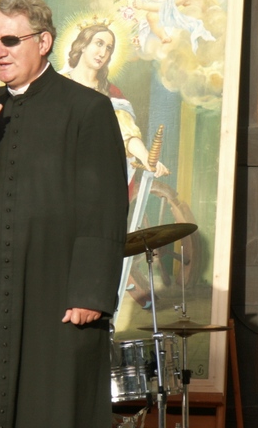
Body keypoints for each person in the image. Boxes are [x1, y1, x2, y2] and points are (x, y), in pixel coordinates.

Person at [0, 0, 129, 428]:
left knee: (53, 406)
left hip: (56, 289)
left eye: (10, 40)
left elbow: (105, 208)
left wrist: (90, 293)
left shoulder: (87, 108)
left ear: (44, 43)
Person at [62, 23, 169, 311]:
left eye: (108, 48)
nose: (103, 52)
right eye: (98, 43)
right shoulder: (56, 85)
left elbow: (127, 133)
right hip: (58, 179)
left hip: (94, 183)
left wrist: (147, 158)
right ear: (82, 45)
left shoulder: (112, 94)